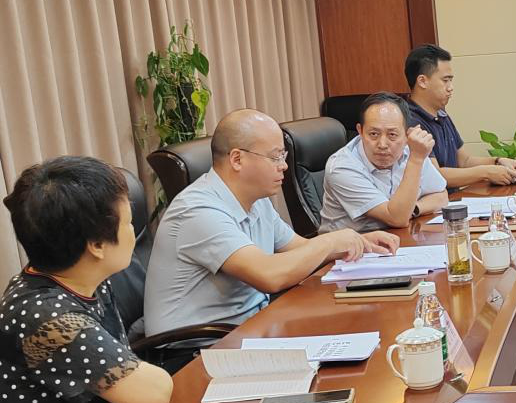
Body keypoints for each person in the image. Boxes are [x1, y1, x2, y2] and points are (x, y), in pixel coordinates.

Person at [0, 157, 174, 403]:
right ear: (96, 245)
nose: (134, 232)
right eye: (129, 223)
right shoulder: (45, 317)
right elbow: (153, 393)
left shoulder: (80, 278)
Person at [145, 109, 396, 335]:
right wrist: (331, 241)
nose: (284, 166)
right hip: (200, 347)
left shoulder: (256, 199)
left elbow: (298, 248)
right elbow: (269, 275)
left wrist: (358, 241)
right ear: (237, 159)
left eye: (283, 156)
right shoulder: (198, 210)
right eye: (275, 157)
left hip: (254, 326)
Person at [320, 92, 450, 232]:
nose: (382, 144)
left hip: (397, 236)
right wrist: (416, 160)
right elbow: (397, 218)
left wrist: (413, 209)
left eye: (392, 135)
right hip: (355, 242)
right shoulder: (342, 167)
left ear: (407, 134)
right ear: (360, 131)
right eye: (374, 134)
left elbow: (441, 196)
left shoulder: (411, 149)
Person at [404, 44, 516, 188]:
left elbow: (464, 161)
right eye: (445, 80)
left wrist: (497, 161)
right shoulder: (410, 121)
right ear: (422, 81)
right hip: (433, 201)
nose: (451, 87)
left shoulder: (441, 114)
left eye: (451, 80)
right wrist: (486, 172)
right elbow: (435, 175)